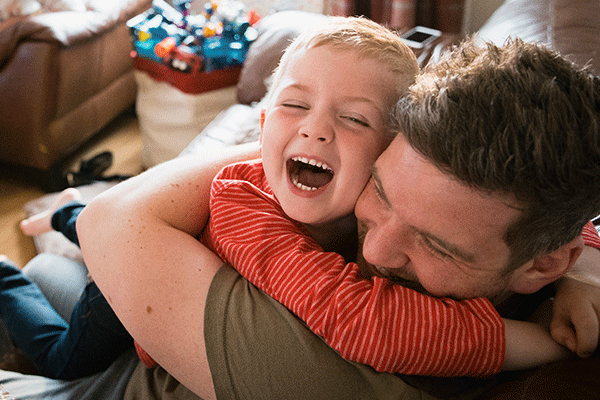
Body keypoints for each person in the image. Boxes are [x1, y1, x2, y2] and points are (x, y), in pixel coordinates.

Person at [0, 36, 599, 399]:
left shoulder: (336, 376)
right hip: (134, 301)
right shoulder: (248, 205)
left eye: (436, 245)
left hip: (143, 313)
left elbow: (376, 321)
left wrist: (582, 271)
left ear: (545, 262)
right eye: (383, 192)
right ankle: (57, 222)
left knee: (55, 306)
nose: (377, 253)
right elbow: (112, 221)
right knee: (70, 279)